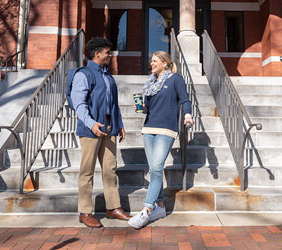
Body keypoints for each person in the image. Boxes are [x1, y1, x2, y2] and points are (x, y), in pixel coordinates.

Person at [70, 37, 131, 228]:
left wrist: (119, 123)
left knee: (109, 169)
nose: (110, 55)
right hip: (91, 129)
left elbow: (114, 104)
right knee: (87, 171)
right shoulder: (84, 74)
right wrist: (91, 124)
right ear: (97, 53)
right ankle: (85, 212)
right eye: (107, 52)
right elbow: (78, 104)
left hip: (109, 128)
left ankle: (113, 207)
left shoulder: (108, 76)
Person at [128, 51, 193, 229]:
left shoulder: (175, 79)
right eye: (151, 61)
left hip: (166, 129)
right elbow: (147, 108)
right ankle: (161, 207)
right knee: (154, 169)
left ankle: (147, 210)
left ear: (165, 63)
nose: (151, 63)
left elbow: (185, 99)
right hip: (149, 129)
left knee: (156, 168)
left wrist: (187, 115)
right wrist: (140, 108)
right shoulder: (150, 82)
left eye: (155, 61)